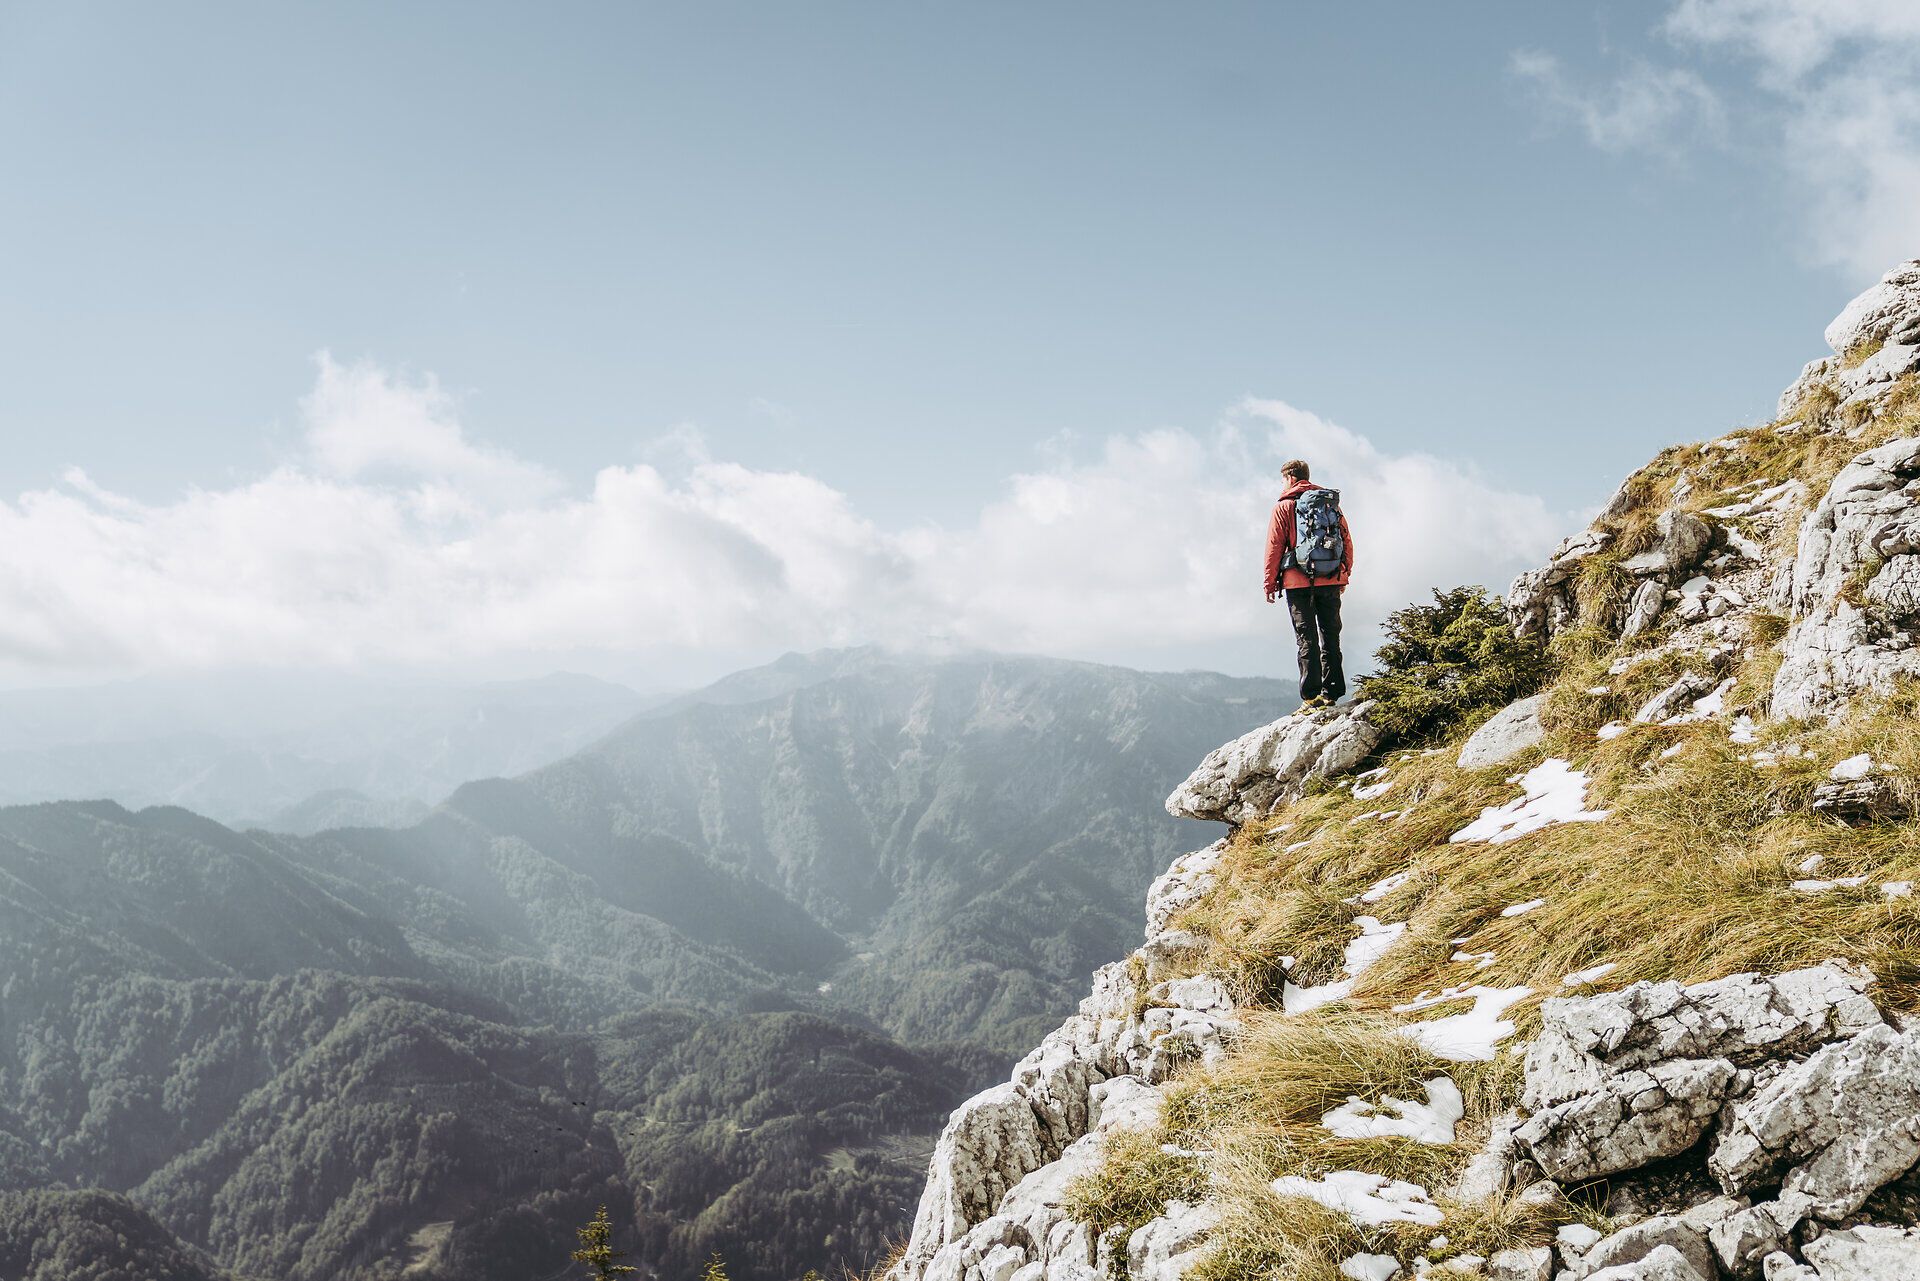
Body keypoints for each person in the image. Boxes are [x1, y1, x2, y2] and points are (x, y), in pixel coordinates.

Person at [1263, 459, 1354, 709]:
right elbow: (1346, 540)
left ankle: (1310, 696)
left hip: (1297, 582)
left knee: (1307, 638)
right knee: (1331, 635)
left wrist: (1269, 584)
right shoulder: (1329, 504)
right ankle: (1332, 693)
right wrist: (1343, 573)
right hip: (1331, 578)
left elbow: (1274, 548)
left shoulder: (1284, 506)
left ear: (1290, 477)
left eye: (1283, 479)